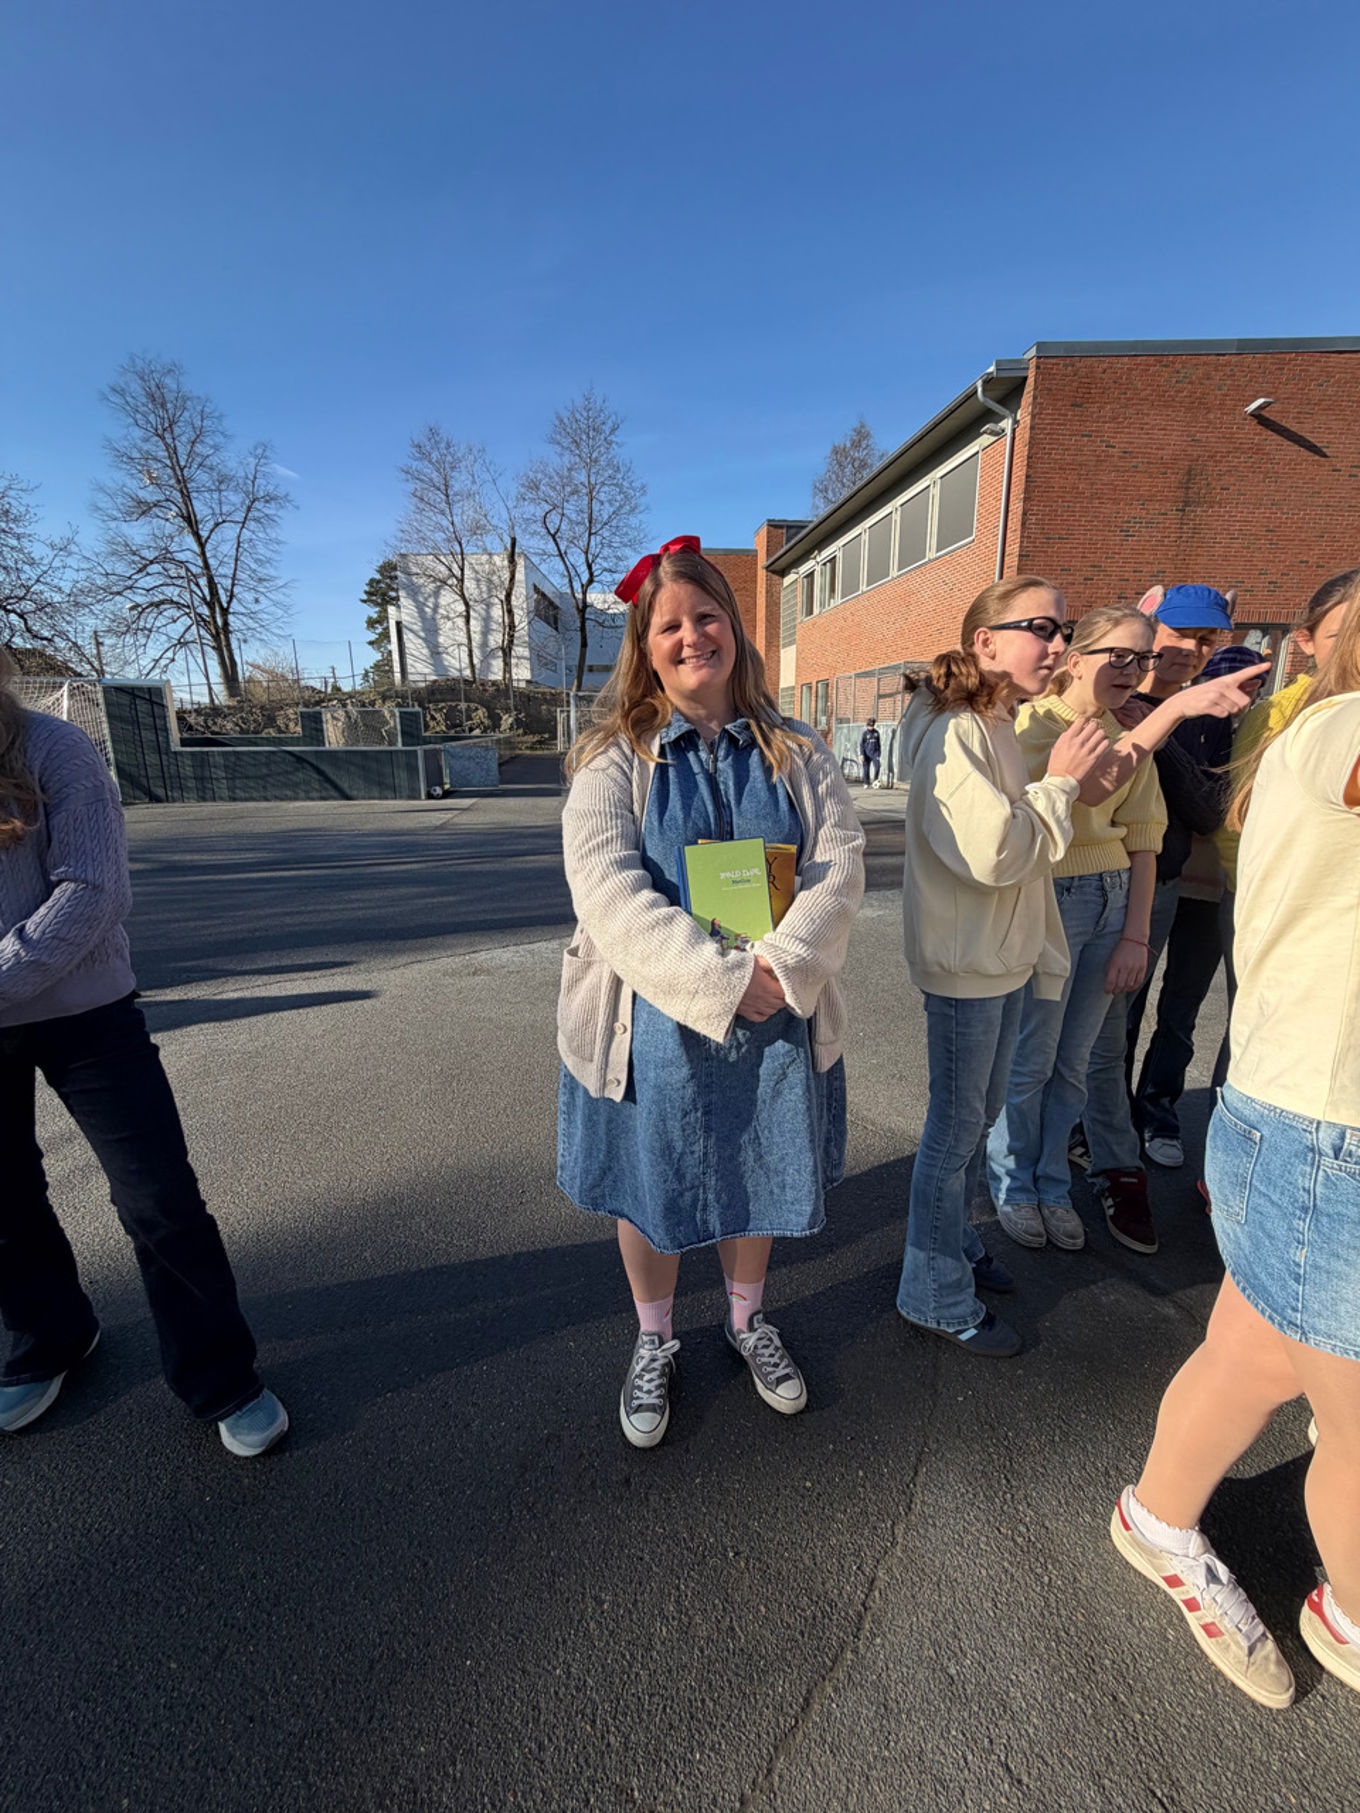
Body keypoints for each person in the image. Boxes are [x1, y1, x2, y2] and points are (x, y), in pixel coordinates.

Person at [556, 537, 864, 1448]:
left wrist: (783, 968)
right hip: (652, 1024)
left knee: (758, 1169)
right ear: (644, 648)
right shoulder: (613, 762)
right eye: (669, 625)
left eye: (706, 616)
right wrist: (729, 981)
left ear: (735, 627)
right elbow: (609, 891)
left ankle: (744, 1318)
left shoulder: (798, 750)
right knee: (649, 1186)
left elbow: (839, 868)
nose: (692, 636)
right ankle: (655, 1338)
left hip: (778, 1014)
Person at [1110, 586, 1360, 1709]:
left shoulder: (1296, 730)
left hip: (1298, 1109)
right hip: (1320, 1126)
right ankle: (1350, 1614)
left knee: (1253, 1355)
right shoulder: (1331, 732)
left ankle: (1159, 1520)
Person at [0, 649, 286, 1457]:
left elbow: (95, 888)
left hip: (86, 1010)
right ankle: (51, 1339)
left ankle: (220, 1373)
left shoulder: (56, 747)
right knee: (6, 1204)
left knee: (158, 1199)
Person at [987, 607, 1266, 1257]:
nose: (1133, 671)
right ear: (1074, 657)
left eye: (1142, 660)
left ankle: (1053, 1180)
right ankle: (1012, 1180)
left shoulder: (1126, 728)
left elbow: (1144, 837)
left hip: (1112, 899)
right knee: (1031, 1057)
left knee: (1076, 1061)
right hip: (1050, 899)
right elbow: (1079, 796)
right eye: (1120, 655)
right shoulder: (1033, 725)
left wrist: (1137, 933)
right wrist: (1168, 716)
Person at [895, 577, 1108, 1356]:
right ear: (985, 641)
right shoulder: (959, 729)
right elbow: (994, 853)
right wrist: (1062, 785)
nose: (1060, 645)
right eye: (1043, 628)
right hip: (967, 966)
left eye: (1066, 626)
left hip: (996, 958)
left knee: (972, 1120)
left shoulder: (991, 720)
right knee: (954, 1132)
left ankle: (951, 1246)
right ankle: (931, 1289)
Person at [1071, 584, 1238, 1174]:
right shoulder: (1108, 699)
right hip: (1117, 881)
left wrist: (1158, 731)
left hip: (1180, 878)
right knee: (1115, 1017)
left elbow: (1210, 806)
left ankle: (1157, 1112)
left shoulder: (1210, 709)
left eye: (1206, 639)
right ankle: (1093, 1127)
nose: (1191, 649)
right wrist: (1153, 724)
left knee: (1178, 1009)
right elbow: (1085, 794)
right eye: (1180, 635)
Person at [1130, 646, 1269, 1165]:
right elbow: (1207, 806)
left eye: (1253, 684)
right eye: (1228, 682)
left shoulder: (1260, 727)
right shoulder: (1178, 715)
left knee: (1181, 1008)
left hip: (1218, 884)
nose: (1241, 694)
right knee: (1129, 1003)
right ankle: (1114, 1116)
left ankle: (1158, 1110)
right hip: (1161, 876)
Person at [860, 718, 882, 788]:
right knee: (866, 769)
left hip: (875, 753)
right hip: (866, 753)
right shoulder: (865, 733)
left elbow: (878, 744)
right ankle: (866, 782)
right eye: (869, 726)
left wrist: (878, 754)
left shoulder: (876, 733)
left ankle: (875, 780)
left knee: (877, 766)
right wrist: (862, 754)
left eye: (872, 726)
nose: (870, 727)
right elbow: (861, 744)